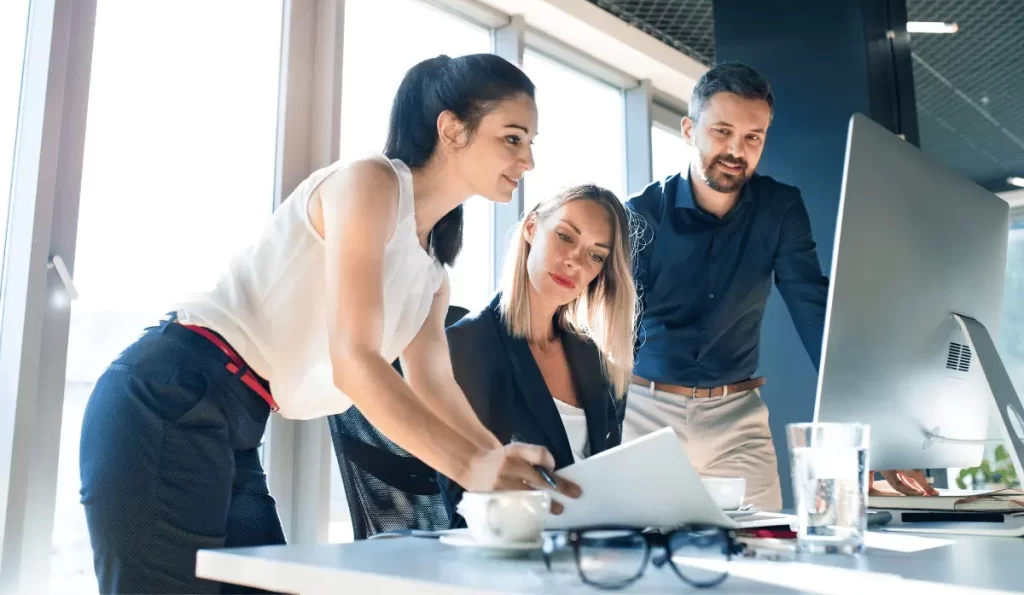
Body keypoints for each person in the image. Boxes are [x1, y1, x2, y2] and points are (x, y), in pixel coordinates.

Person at [78, 53, 580, 594]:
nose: (527, 159)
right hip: (170, 393)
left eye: (531, 143)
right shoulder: (370, 181)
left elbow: (435, 385)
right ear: (451, 129)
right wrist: (473, 468)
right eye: (512, 137)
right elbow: (354, 362)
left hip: (239, 421)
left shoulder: (433, 274)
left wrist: (499, 465)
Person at [623, 62, 936, 511]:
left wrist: (877, 429)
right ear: (689, 129)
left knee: (769, 558)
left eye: (753, 137)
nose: (736, 150)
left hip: (737, 417)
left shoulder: (781, 208)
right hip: (646, 412)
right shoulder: (641, 213)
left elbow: (814, 311)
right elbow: (619, 328)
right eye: (722, 131)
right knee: (640, 558)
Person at [440, 184, 638, 523]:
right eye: (565, 236)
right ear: (531, 228)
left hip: (591, 546)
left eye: (595, 255)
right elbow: (461, 500)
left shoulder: (593, 358)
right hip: (512, 547)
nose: (575, 261)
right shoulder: (466, 347)